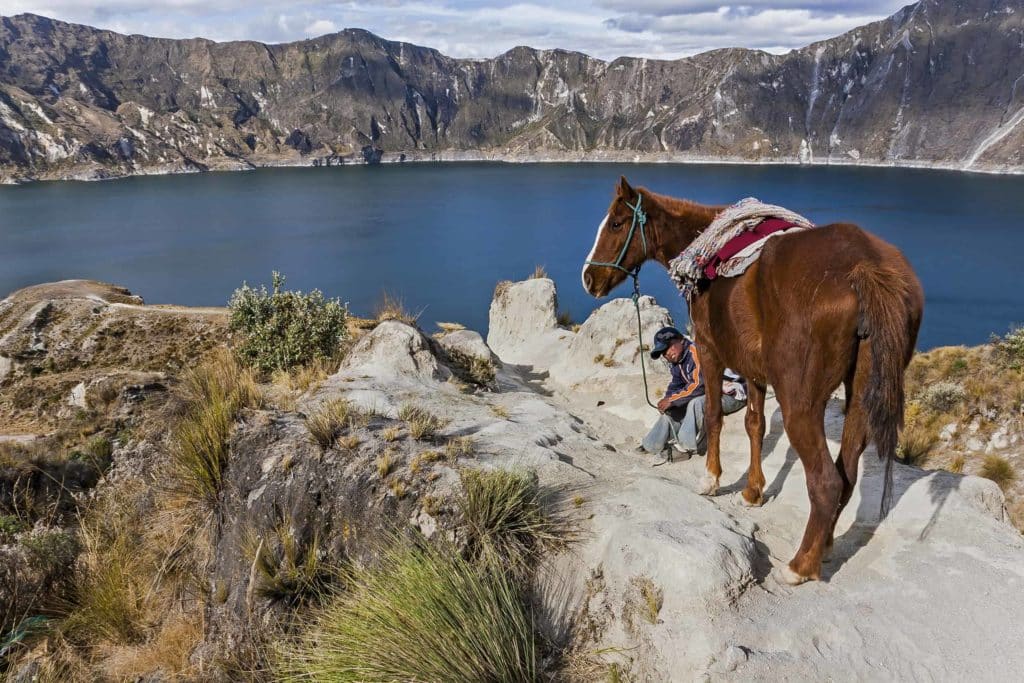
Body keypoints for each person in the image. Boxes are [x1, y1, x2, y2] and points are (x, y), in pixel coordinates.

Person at [637, 326, 747, 462]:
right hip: (711, 395)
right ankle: (651, 444)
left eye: (668, 347)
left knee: (696, 403)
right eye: (662, 352)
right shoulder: (677, 363)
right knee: (671, 411)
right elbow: (675, 385)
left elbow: (699, 385)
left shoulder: (696, 352)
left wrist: (672, 400)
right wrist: (668, 399)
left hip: (732, 394)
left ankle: (684, 448)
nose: (666, 354)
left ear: (680, 341)